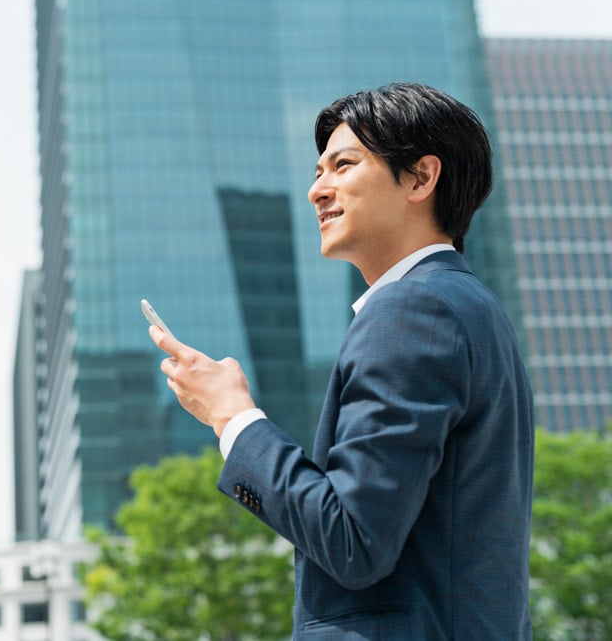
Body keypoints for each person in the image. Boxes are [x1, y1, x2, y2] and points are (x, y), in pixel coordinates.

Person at [149, 82, 534, 639]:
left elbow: (353, 541)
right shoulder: (469, 307)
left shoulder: (412, 309)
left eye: (343, 165)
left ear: (422, 178)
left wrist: (232, 417)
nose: (317, 191)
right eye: (316, 172)